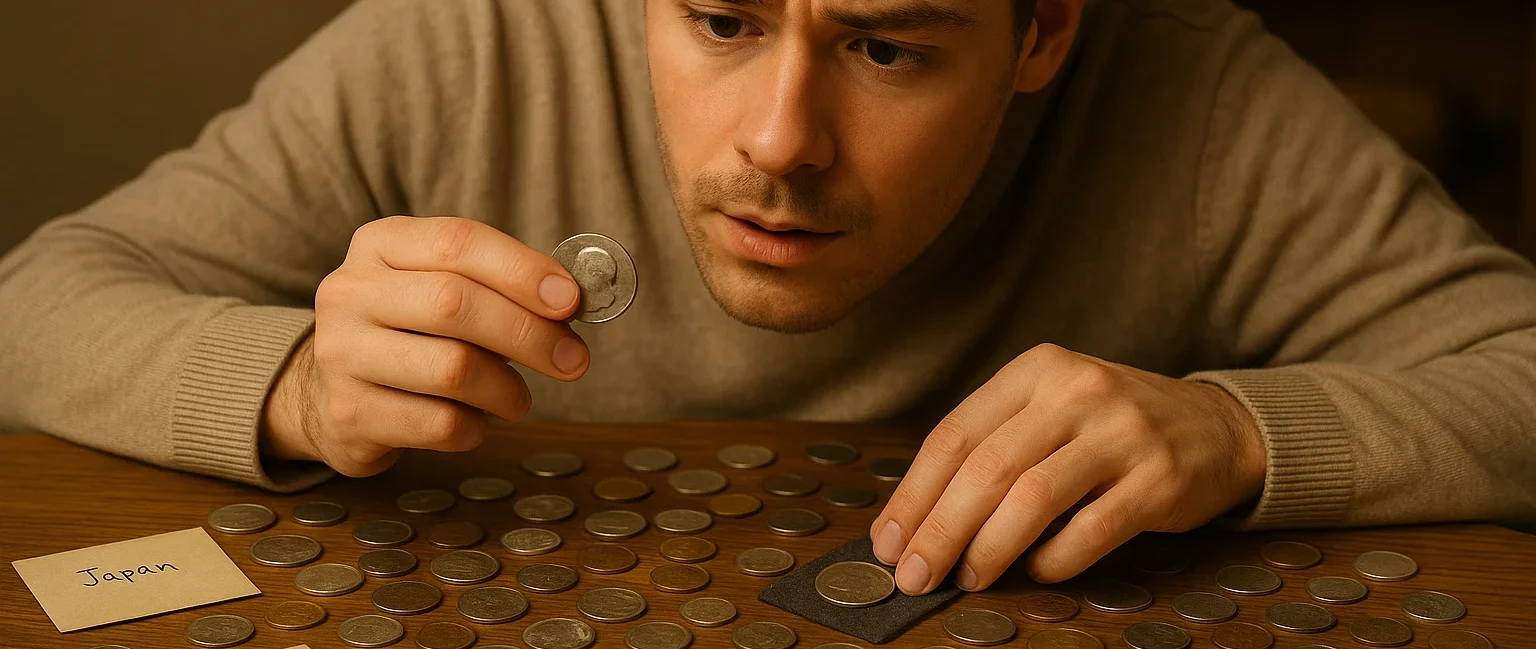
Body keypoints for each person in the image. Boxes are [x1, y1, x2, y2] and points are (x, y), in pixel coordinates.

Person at [2, 0, 1534, 597]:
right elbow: (32, 301)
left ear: (1044, 34)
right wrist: (292, 384)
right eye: (722, 18)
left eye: (886, 48)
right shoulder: (461, 41)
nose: (778, 143)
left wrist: (1232, 430)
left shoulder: (1197, 88)